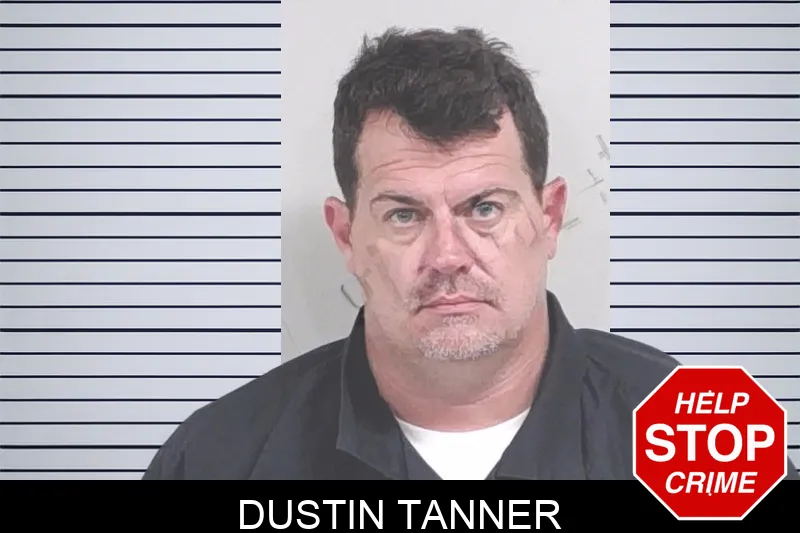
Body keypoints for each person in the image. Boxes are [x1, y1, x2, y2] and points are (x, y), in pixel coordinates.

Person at [143, 27, 798, 480]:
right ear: (346, 236)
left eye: (484, 208)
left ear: (548, 216)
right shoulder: (222, 458)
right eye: (404, 214)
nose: (448, 255)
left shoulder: (703, 439)